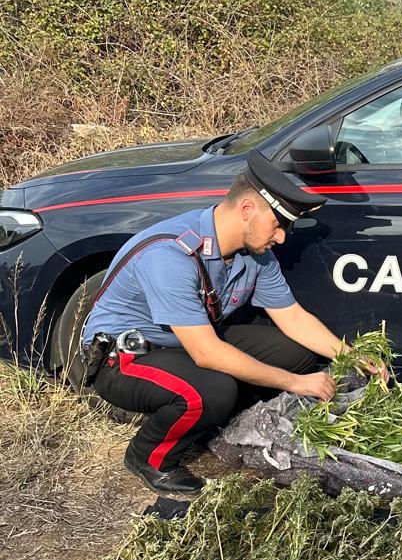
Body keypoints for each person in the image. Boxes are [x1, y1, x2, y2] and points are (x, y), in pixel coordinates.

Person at [82, 153, 382, 494]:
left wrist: (348, 354)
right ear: (247, 210)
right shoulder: (170, 256)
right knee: (210, 392)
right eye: (279, 224)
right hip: (128, 359)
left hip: (187, 342)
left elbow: (293, 318)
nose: (282, 237)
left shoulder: (255, 253)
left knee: (294, 351)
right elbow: (207, 353)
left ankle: (220, 425)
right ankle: (149, 457)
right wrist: (297, 383)